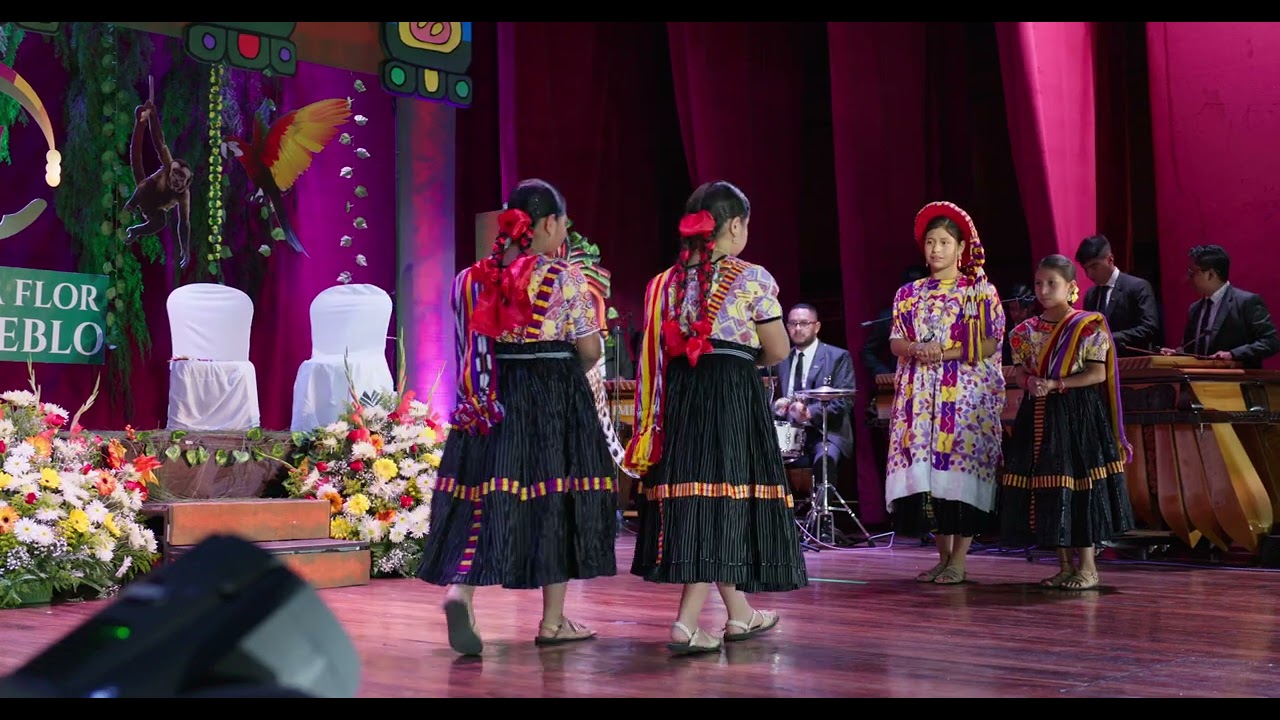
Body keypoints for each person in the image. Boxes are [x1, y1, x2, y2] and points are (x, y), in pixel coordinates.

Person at [417, 179, 618, 656]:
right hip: (552, 397)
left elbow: (471, 343)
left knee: (485, 496)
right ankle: (552, 621)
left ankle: (461, 590)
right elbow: (589, 349)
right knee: (557, 497)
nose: (565, 231)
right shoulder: (565, 277)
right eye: (564, 223)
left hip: (492, 399)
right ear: (549, 224)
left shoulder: (471, 279)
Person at [625, 180, 808, 655]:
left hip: (682, 399)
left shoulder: (663, 283)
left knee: (701, 498)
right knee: (723, 500)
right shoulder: (753, 277)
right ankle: (686, 623)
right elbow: (777, 348)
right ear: (734, 225)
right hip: (730, 396)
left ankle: (740, 612)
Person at [885, 201, 1006, 585]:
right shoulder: (908, 293)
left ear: (960, 248)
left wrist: (943, 351)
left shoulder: (979, 291)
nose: (935, 250)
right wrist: (915, 349)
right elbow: (895, 340)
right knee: (928, 480)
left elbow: (989, 343)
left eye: (943, 242)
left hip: (963, 397)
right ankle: (942, 557)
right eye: (930, 242)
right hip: (920, 397)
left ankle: (960, 560)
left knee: (957, 476)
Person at [999, 254, 1135, 590]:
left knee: (1078, 484)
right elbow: (1019, 371)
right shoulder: (1024, 331)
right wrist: (1028, 381)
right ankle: (1063, 565)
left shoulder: (1087, 326)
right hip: (1039, 413)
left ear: (1072, 288)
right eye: (1038, 283)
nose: (1043, 290)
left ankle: (1087, 566)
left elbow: (1097, 372)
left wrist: (1058, 384)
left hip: (1077, 415)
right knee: (1048, 488)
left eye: (1052, 284)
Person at [771, 303, 857, 536]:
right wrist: (777, 406)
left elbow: (845, 401)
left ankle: (823, 523)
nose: (797, 328)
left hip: (826, 432)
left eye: (804, 323)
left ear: (816, 326)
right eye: (792, 324)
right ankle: (779, 526)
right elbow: (772, 396)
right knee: (761, 457)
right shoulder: (781, 359)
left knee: (825, 458)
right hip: (789, 432)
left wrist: (810, 413)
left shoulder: (838, 356)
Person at [1159, 244, 1280, 369]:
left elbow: (1270, 342)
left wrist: (1232, 354)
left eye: (1193, 272)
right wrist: (1177, 354)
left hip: (1237, 382)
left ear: (1211, 274)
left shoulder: (1246, 302)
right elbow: (1190, 348)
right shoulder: (1194, 309)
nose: (1189, 277)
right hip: (1199, 382)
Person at [1074, 235, 1162, 356]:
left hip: (1132, 363)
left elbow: (1149, 328)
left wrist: (1110, 338)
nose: (1089, 274)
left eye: (1094, 267)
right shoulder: (1091, 295)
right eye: (1085, 269)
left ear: (1110, 260)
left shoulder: (1137, 287)